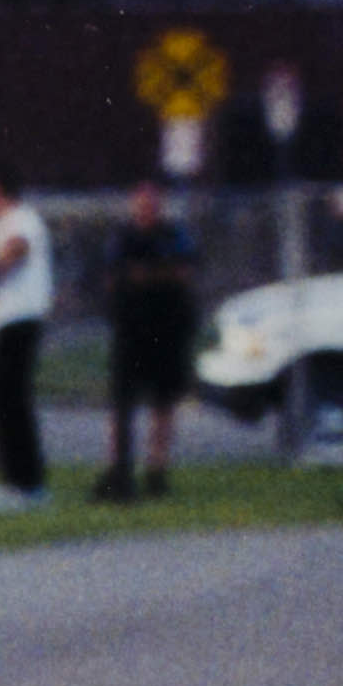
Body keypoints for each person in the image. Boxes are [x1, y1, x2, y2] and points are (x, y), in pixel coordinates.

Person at [99, 180, 204, 500]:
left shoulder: (175, 235)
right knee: (121, 404)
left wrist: (148, 276)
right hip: (130, 331)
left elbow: (185, 272)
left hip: (168, 331)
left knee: (163, 403)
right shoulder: (121, 237)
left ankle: (156, 470)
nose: (146, 210)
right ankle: (119, 468)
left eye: (151, 204)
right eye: (140, 204)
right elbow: (111, 277)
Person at [0, 158, 55, 501]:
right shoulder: (0, 222)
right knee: (2, 399)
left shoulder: (21, 219)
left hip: (19, 318)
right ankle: (14, 475)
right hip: (3, 318)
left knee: (11, 399)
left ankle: (27, 480)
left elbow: (13, 253)